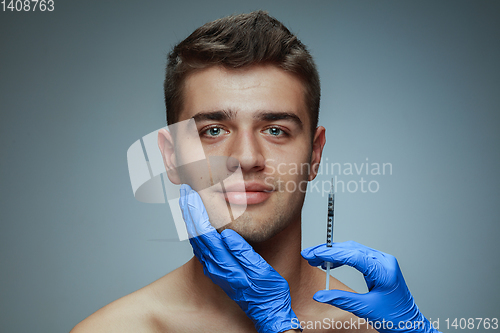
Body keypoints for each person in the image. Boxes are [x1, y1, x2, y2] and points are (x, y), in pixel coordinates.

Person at [71, 11, 439, 333]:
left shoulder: (374, 329)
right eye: (213, 130)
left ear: (314, 153)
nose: (246, 158)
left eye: (275, 130)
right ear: (171, 158)